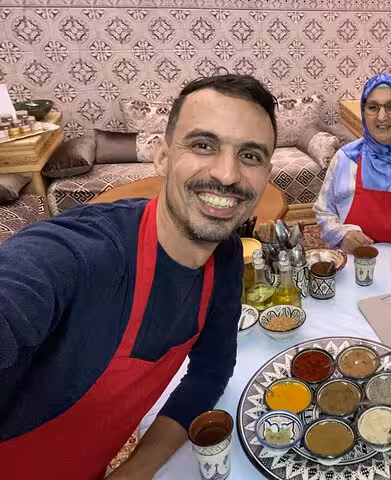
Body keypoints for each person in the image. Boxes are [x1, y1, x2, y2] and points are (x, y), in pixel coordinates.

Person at [0, 74, 277, 478]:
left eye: (250, 156)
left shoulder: (226, 254)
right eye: (203, 145)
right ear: (162, 156)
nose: (227, 174)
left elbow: (209, 374)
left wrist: (138, 468)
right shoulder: (76, 254)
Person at [313, 73, 391, 280]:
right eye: (373, 107)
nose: (381, 116)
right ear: (364, 111)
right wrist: (342, 235)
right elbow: (324, 210)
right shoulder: (346, 158)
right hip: (358, 274)